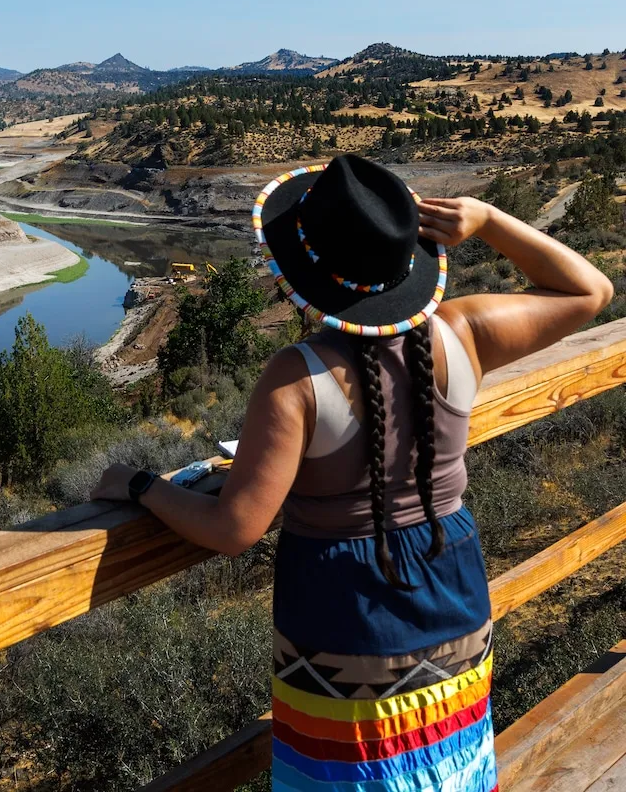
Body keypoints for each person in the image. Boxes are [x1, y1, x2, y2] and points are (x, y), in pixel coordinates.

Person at [92, 155, 612, 792]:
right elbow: (591, 291)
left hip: (346, 616)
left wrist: (144, 485)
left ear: (300, 278)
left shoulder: (297, 376)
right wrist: (490, 220)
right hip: (451, 588)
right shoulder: (463, 332)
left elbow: (235, 528)